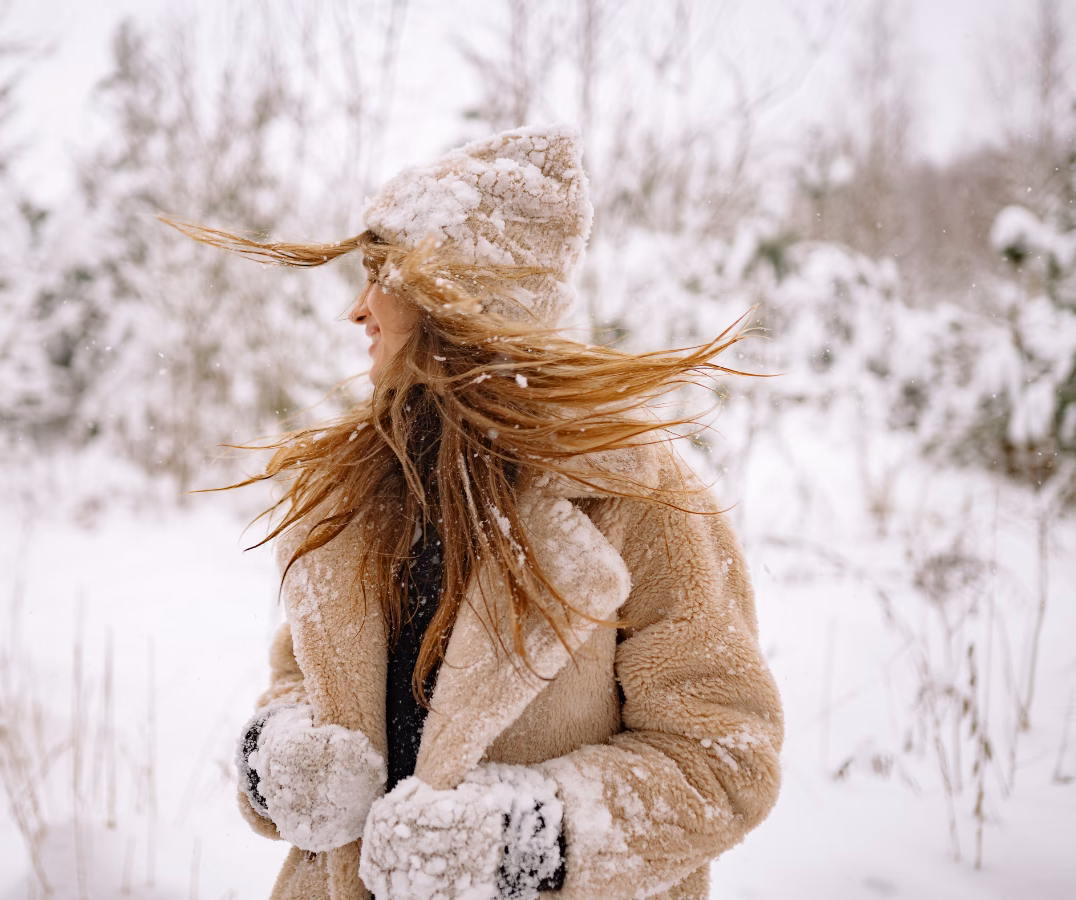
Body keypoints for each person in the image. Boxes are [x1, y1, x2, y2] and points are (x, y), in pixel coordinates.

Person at [165, 124, 783, 900]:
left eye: (379, 277)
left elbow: (724, 758)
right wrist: (279, 759)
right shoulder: (362, 493)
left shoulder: (635, 498)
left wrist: (518, 844)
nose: (358, 311)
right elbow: (296, 680)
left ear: (457, 297)